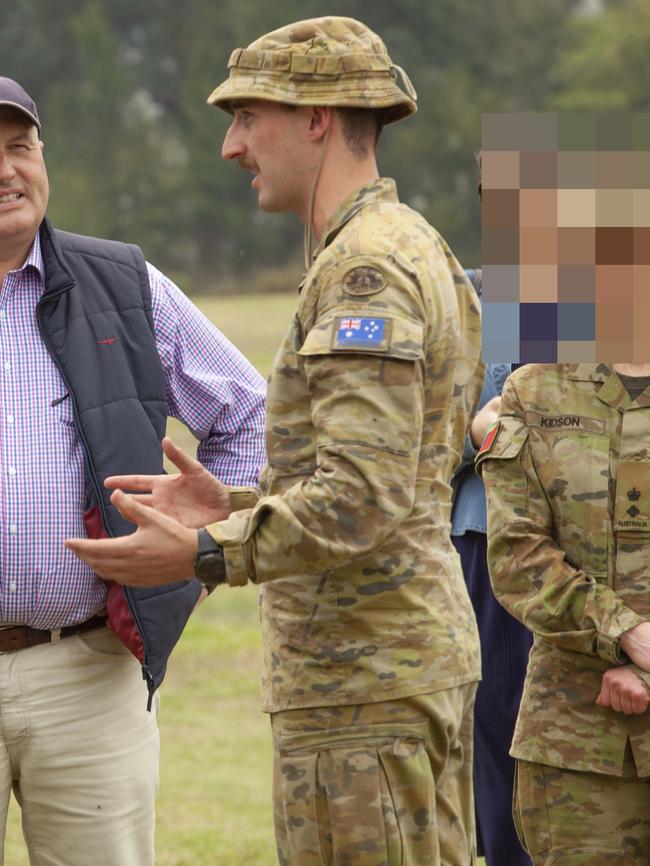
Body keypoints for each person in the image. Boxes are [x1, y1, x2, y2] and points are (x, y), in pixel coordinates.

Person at [66, 17, 484, 866]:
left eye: (246, 117)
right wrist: (240, 503)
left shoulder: (364, 270)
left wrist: (204, 549)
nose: (231, 146)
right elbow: (397, 478)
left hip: (363, 688)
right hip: (390, 675)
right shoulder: (414, 246)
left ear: (316, 118)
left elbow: (362, 500)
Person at [0, 76, 265, 866]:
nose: (8, 171)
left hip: (88, 670)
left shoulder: (126, 284)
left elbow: (249, 415)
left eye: (20, 148)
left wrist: (201, 542)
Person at [477, 362, 650, 865]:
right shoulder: (534, 391)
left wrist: (642, 663)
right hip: (578, 744)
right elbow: (517, 556)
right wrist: (626, 632)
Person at [451, 272, 532, 866]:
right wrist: (472, 430)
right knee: (503, 743)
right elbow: (409, 429)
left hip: (614, 548)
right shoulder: (466, 296)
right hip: (487, 542)